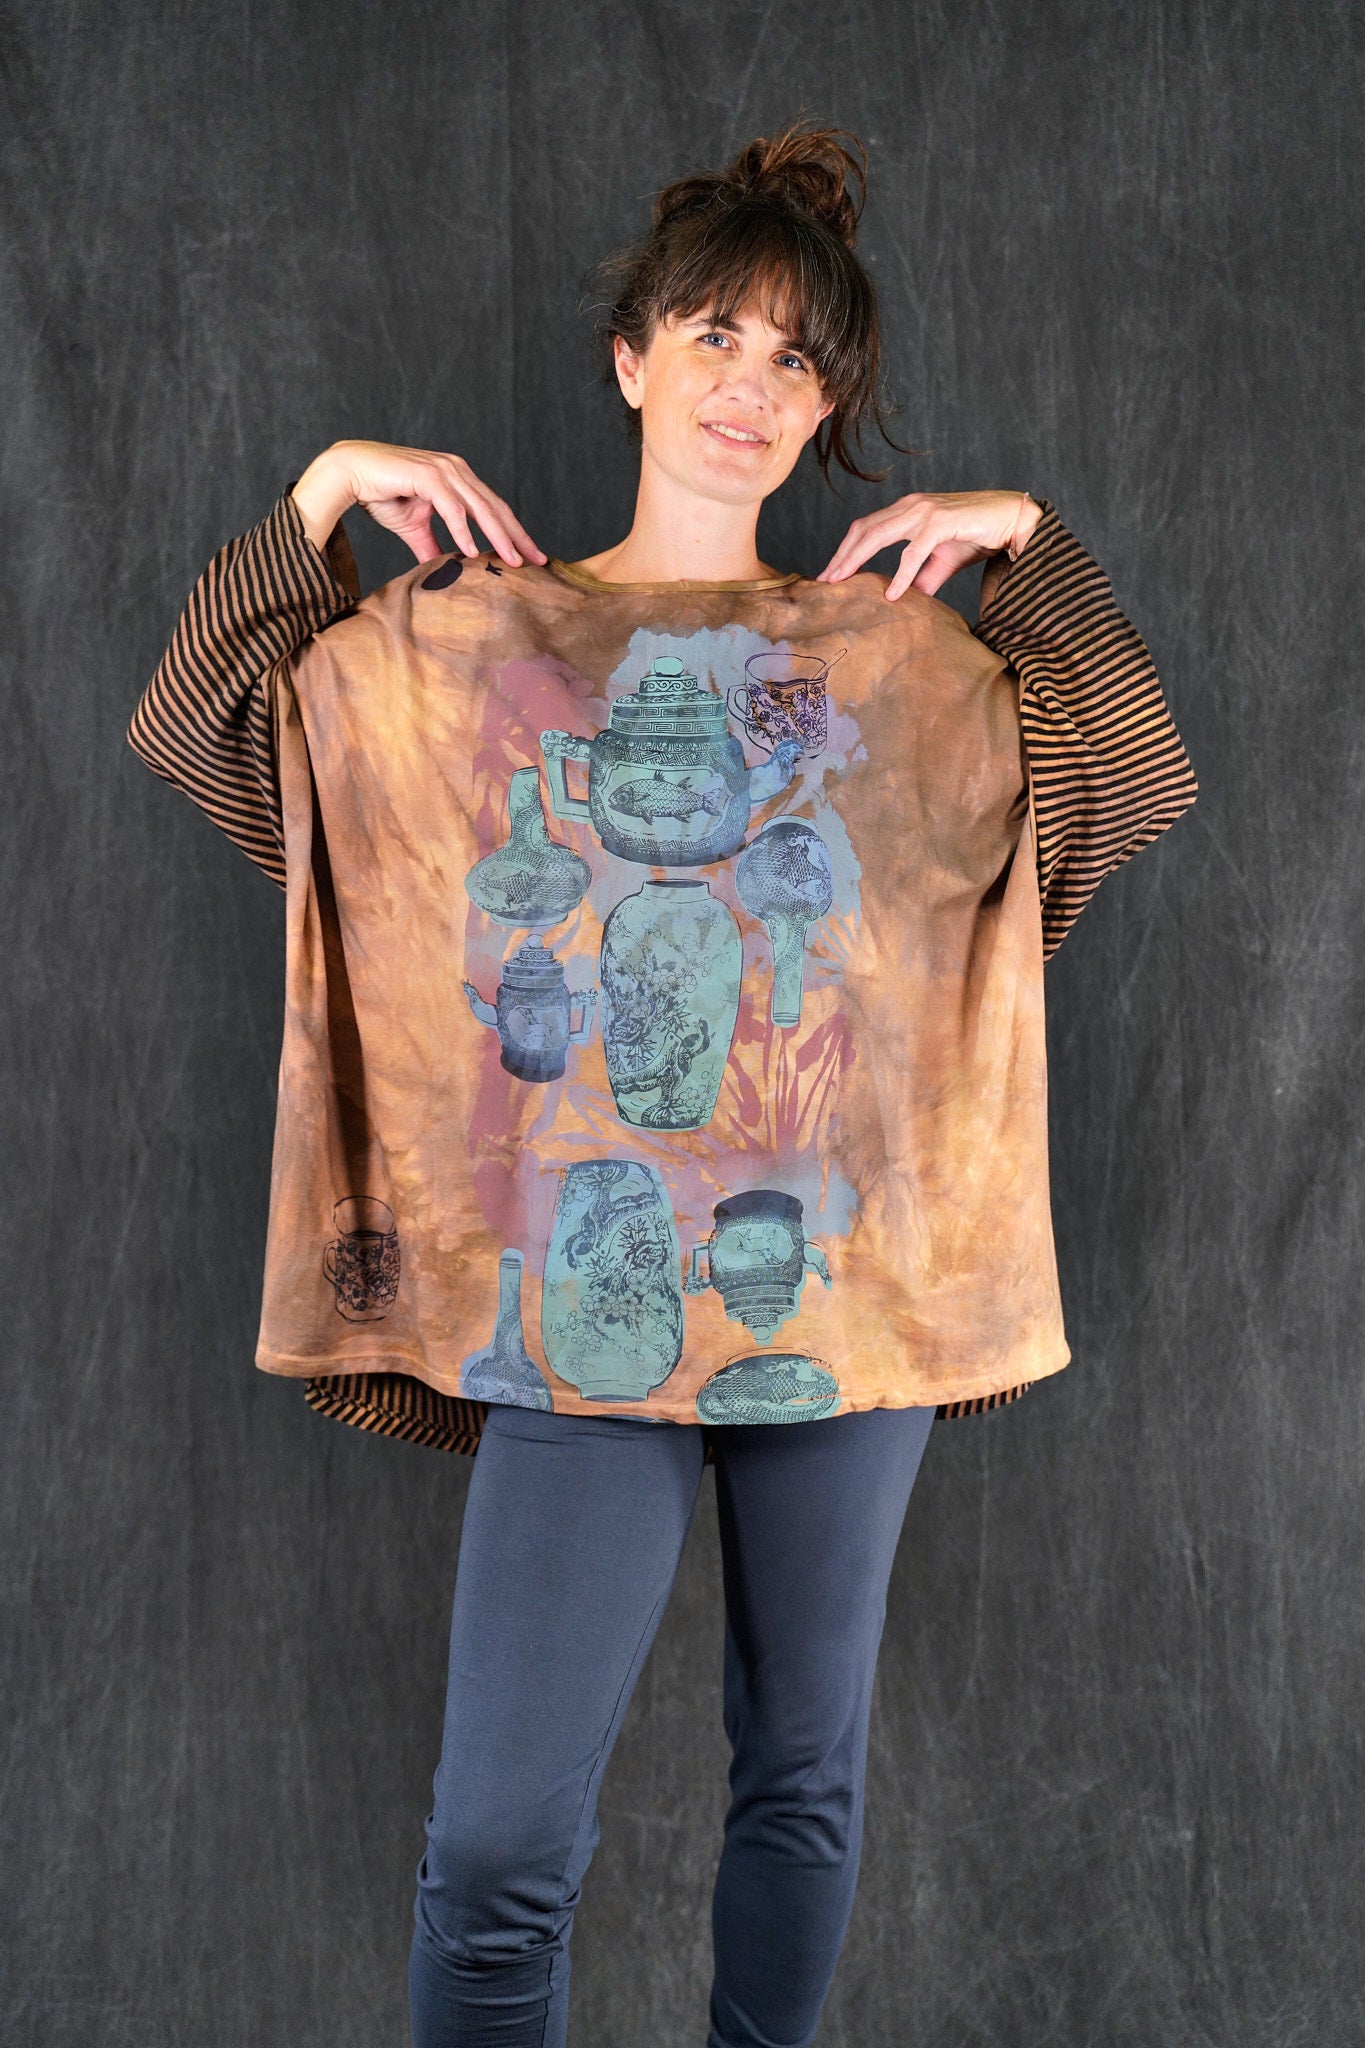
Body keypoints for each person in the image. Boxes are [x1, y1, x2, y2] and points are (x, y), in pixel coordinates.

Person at [126, 121, 1196, 2048]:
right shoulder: (471, 647)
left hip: (839, 1309)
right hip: (578, 1311)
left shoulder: (900, 665)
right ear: (629, 359)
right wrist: (319, 501)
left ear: (828, 408)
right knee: (496, 1855)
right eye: (713, 335)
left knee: (801, 1784)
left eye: (797, 358)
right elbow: (219, 735)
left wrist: (1030, 553)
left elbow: (1108, 794)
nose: (749, 386)